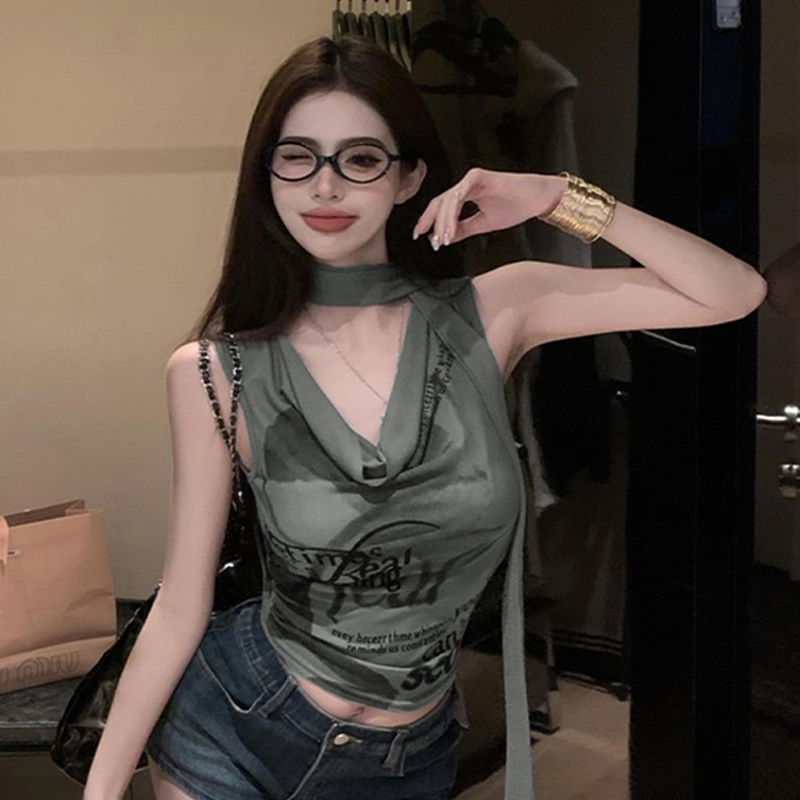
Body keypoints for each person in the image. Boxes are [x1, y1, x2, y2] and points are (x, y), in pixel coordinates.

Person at [82, 35, 766, 800]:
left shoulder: (496, 310)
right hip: (240, 726)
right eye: (297, 157)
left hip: (409, 755)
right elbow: (182, 605)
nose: (326, 186)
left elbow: (731, 293)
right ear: (266, 175)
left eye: (361, 159)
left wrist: (556, 196)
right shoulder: (215, 371)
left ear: (409, 177)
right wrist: (102, 790)